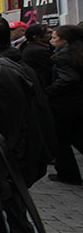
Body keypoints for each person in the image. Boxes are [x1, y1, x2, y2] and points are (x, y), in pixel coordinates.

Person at [48, 24, 83, 185]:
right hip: (77, 104)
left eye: (55, 37)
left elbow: (68, 79)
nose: (52, 40)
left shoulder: (63, 58)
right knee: (77, 136)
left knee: (61, 140)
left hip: (64, 105)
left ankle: (68, 174)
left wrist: (47, 92)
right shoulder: (77, 54)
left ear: (66, 40)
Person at [21, 24, 54, 88]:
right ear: (36, 37)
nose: (52, 35)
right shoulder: (38, 50)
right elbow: (53, 66)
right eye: (48, 33)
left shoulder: (37, 47)